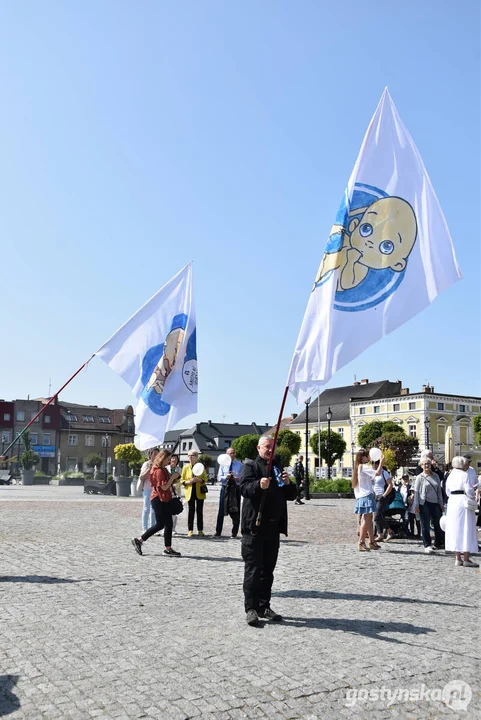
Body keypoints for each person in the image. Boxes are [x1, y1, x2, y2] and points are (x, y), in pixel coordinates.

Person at [239, 436, 297, 626]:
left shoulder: (278, 467)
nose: (270, 450)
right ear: (258, 448)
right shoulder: (250, 466)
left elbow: (291, 494)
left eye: (272, 447)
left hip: (273, 527)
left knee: (268, 571)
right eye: (266, 447)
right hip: (254, 527)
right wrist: (258, 485)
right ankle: (251, 608)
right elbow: (244, 488)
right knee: (253, 570)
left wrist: (288, 484)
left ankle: (264, 606)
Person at [131, 450, 181, 557]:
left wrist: (175, 478)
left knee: (161, 524)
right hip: (159, 499)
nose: (169, 461)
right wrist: (172, 478)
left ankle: (139, 540)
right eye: (168, 459)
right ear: (162, 459)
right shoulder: (158, 471)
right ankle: (167, 549)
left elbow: (168, 483)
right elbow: (163, 487)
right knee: (166, 523)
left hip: (162, 498)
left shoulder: (163, 469)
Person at [445, 456, 479, 567]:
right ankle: (466, 558)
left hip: (453, 502)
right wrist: (473, 493)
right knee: (466, 527)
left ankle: (457, 557)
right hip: (462, 501)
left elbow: (447, 491)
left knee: (456, 528)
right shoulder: (464, 475)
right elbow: (469, 490)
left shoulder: (450, 476)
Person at [351, 449, 383, 552]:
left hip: (362, 495)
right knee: (366, 518)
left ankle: (371, 541)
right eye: (366, 456)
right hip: (366, 495)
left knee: (369, 518)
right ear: (362, 457)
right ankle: (361, 541)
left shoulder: (358, 467)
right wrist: (381, 462)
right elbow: (378, 473)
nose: (368, 457)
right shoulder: (363, 467)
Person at [413, 457, 445, 553]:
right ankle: (427, 544)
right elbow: (417, 492)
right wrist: (416, 505)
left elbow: (439, 491)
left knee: (437, 524)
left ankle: (438, 542)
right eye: (424, 464)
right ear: (421, 466)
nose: (427, 465)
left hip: (435, 503)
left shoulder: (435, 476)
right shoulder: (420, 477)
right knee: (425, 524)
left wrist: (441, 503)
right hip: (424, 503)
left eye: (428, 463)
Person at [215, 447, 242, 538]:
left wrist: (236, 478)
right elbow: (219, 477)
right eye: (230, 453)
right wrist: (225, 477)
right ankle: (218, 531)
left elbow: (243, 478)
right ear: (226, 454)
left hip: (235, 489)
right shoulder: (223, 464)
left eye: (233, 453)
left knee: (236, 510)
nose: (232, 455)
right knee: (221, 510)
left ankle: (234, 532)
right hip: (225, 488)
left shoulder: (239, 464)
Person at [181, 450, 208, 537]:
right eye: (189, 455)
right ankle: (190, 530)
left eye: (192, 455)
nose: (190, 457)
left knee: (199, 511)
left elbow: (205, 479)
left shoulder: (200, 466)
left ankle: (200, 530)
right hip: (190, 492)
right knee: (191, 511)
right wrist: (189, 482)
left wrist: (199, 480)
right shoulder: (185, 467)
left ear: (196, 457)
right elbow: (182, 480)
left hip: (199, 491)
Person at [372, 460, 394, 542]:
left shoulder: (384, 473)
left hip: (382, 496)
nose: (374, 465)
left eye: (376, 463)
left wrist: (384, 495)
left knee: (377, 516)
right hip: (374, 496)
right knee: (378, 516)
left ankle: (390, 531)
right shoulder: (373, 473)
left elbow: (390, 485)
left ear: (379, 464)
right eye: (372, 463)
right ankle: (380, 534)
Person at [138, 448, 158, 533]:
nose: (156, 456)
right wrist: (149, 469)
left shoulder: (158, 465)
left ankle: (152, 528)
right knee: (146, 509)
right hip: (147, 488)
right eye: (154, 454)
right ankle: (144, 528)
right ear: (150, 455)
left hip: (156, 489)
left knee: (154, 509)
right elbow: (142, 476)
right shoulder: (146, 464)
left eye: (158, 454)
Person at [168, 454, 181, 535]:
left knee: (174, 511)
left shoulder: (179, 469)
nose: (174, 460)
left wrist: (175, 485)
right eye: (172, 458)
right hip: (167, 491)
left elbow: (180, 480)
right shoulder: (166, 468)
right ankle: (166, 527)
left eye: (175, 459)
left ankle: (173, 528)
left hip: (175, 492)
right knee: (166, 511)